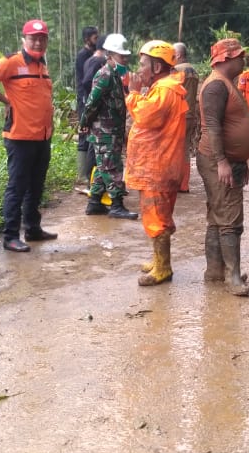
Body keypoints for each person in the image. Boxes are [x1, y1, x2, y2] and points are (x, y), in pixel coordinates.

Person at [0, 19, 58, 252]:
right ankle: (10, 236)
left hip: (42, 136)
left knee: (36, 186)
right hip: (19, 137)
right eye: (33, 38)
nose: (38, 42)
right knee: (17, 187)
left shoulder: (42, 65)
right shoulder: (11, 62)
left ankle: (32, 228)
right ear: (24, 40)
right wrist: (5, 100)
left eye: (42, 38)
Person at [197, 38, 249, 296]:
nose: (243, 61)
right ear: (225, 59)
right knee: (230, 220)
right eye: (239, 57)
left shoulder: (224, 84)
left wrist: (239, 160)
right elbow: (213, 126)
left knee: (218, 216)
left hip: (225, 159)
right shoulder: (215, 87)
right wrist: (223, 161)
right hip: (217, 160)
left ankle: (215, 272)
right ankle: (232, 278)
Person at [125, 40, 188, 286]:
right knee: (157, 214)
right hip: (159, 164)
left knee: (156, 218)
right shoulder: (163, 87)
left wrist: (131, 93)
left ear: (157, 66)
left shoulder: (164, 90)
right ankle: (158, 259)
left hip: (157, 166)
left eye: (143, 65)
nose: (139, 70)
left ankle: (163, 268)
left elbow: (144, 115)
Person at [80, 33, 137, 219]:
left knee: (103, 166)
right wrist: (84, 123)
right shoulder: (104, 75)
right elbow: (91, 102)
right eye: (122, 56)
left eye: (126, 56)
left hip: (112, 131)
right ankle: (117, 205)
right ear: (110, 55)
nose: (125, 59)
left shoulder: (115, 76)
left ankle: (94, 202)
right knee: (112, 168)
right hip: (104, 131)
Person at [172, 42, 200, 193]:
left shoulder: (176, 70)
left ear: (178, 55)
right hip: (190, 115)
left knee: (175, 149)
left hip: (179, 114)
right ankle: (184, 184)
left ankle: (175, 183)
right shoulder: (194, 71)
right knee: (185, 150)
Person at [74, 25, 99, 187]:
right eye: (94, 38)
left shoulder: (93, 54)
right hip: (84, 98)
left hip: (90, 98)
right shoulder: (83, 56)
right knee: (84, 133)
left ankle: (89, 174)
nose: (96, 40)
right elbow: (85, 81)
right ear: (86, 39)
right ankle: (82, 174)